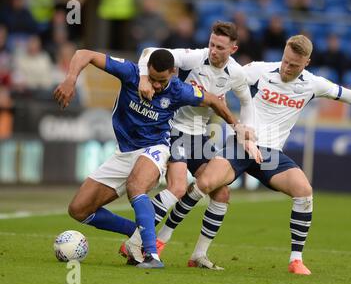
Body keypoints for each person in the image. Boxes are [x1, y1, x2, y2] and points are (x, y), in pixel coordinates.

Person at [154, 35, 351, 274]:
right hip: (242, 144)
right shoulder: (259, 70)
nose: (287, 67)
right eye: (286, 61)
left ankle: (295, 260)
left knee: (304, 190)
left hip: (270, 154)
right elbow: (227, 78)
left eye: (294, 65)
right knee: (206, 184)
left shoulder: (313, 84)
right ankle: (161, 239)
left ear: (307, 63)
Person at [54, 48, 252, 269]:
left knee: (136, 187)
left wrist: (238, 127)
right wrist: (70, 80)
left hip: (155, 147)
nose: (157, 86)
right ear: (147, 69)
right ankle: (137, 231)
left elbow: (214, 100)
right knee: (79, 209)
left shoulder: (179, 90)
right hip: (124, 152)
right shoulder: (130, 73)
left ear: (173, 72)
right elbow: (84, 54)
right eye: (154, 79)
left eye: (162, 80)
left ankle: (151, 255)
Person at [119, 21, 260, 267]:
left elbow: (247, 103)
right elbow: (149, 53)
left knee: (222, 192)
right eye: (212, 44)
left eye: (220, 47)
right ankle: (136, 240)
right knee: (178, 187)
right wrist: (143, 77)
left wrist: (245, 131)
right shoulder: (194, 58)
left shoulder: (237, 74)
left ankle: (198, 255)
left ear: (233, 50)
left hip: (200, 136)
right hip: (173, 129)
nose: (214, 50)